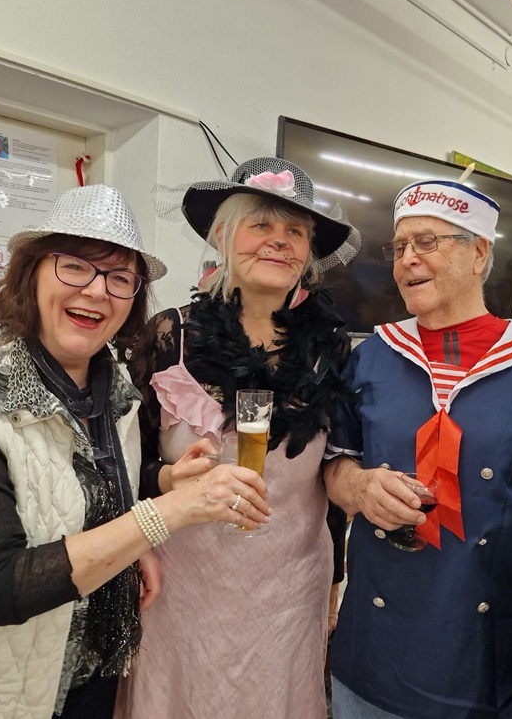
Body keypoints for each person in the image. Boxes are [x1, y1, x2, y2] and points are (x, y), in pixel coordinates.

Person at [0, 185, 268, 719]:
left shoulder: (115, 389)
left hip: (95, 673)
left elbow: (77, 487)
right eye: (75, 266)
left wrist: (162, 482)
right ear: (31, 274)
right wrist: (166, 514)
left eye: (120, 278)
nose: (98, 290)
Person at [325, 169, 512, 718]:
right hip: (372, 649)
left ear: (478, 254)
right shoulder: (371, 356)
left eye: (427, 242)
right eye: (399, 246)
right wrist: (357, 485)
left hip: (484, 659)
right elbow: (334, 465)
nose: (407, 259)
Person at [115, 157, 360, 718]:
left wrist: (336, 579)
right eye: (261, 225)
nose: (279, 242)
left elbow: (333, 472)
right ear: (223, 236)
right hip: (181, 584)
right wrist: (165, 478)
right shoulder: (169, 335)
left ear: (309, 252)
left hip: (289, 588)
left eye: (295, 231)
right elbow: (120, 463)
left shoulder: (331, 347)